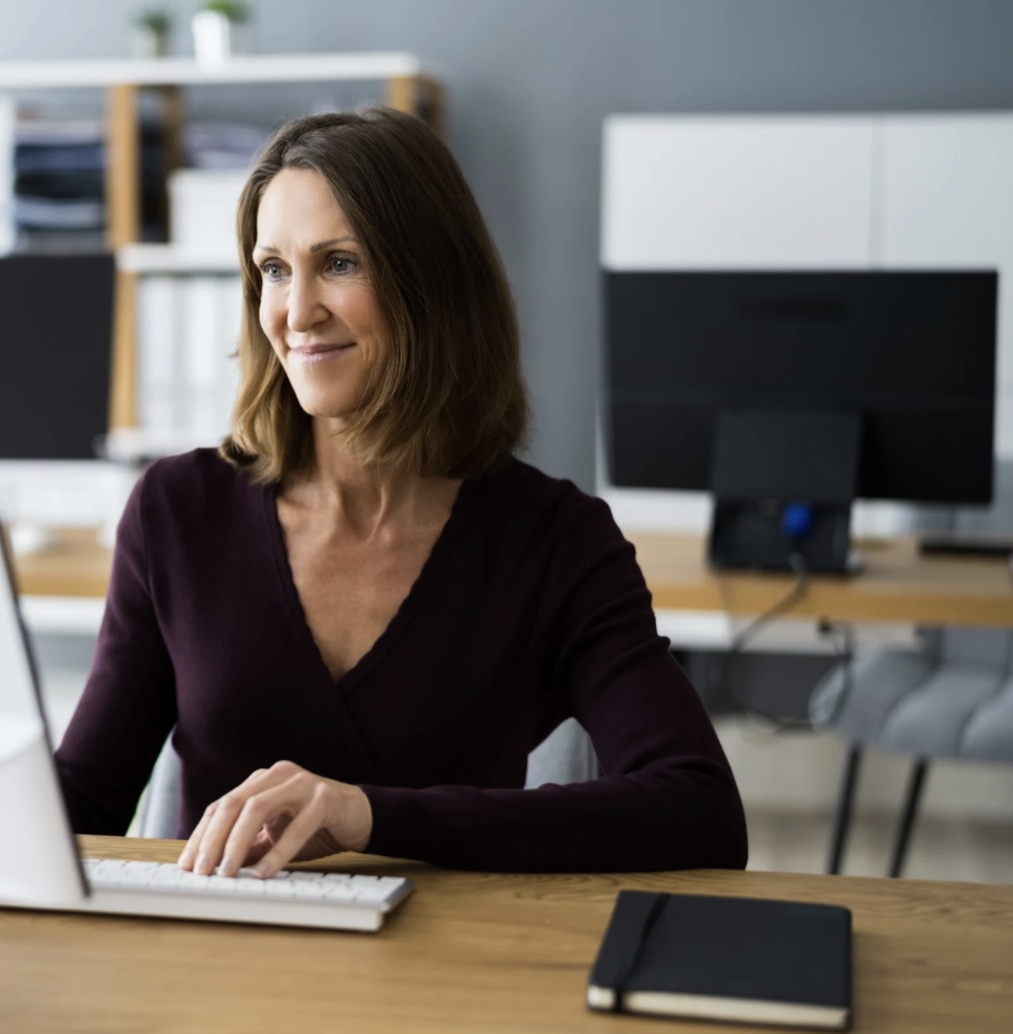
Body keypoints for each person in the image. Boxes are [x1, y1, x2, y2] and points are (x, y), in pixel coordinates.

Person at [53, 107, 749, 879]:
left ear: (432, 284)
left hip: (448, 953)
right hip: (216, 950)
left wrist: (369, 816)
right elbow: (81, 802)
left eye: (339, 263)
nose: (296, 312)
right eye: (274, 270)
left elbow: (701, 812)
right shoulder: (177, 511)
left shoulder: (555, 541)